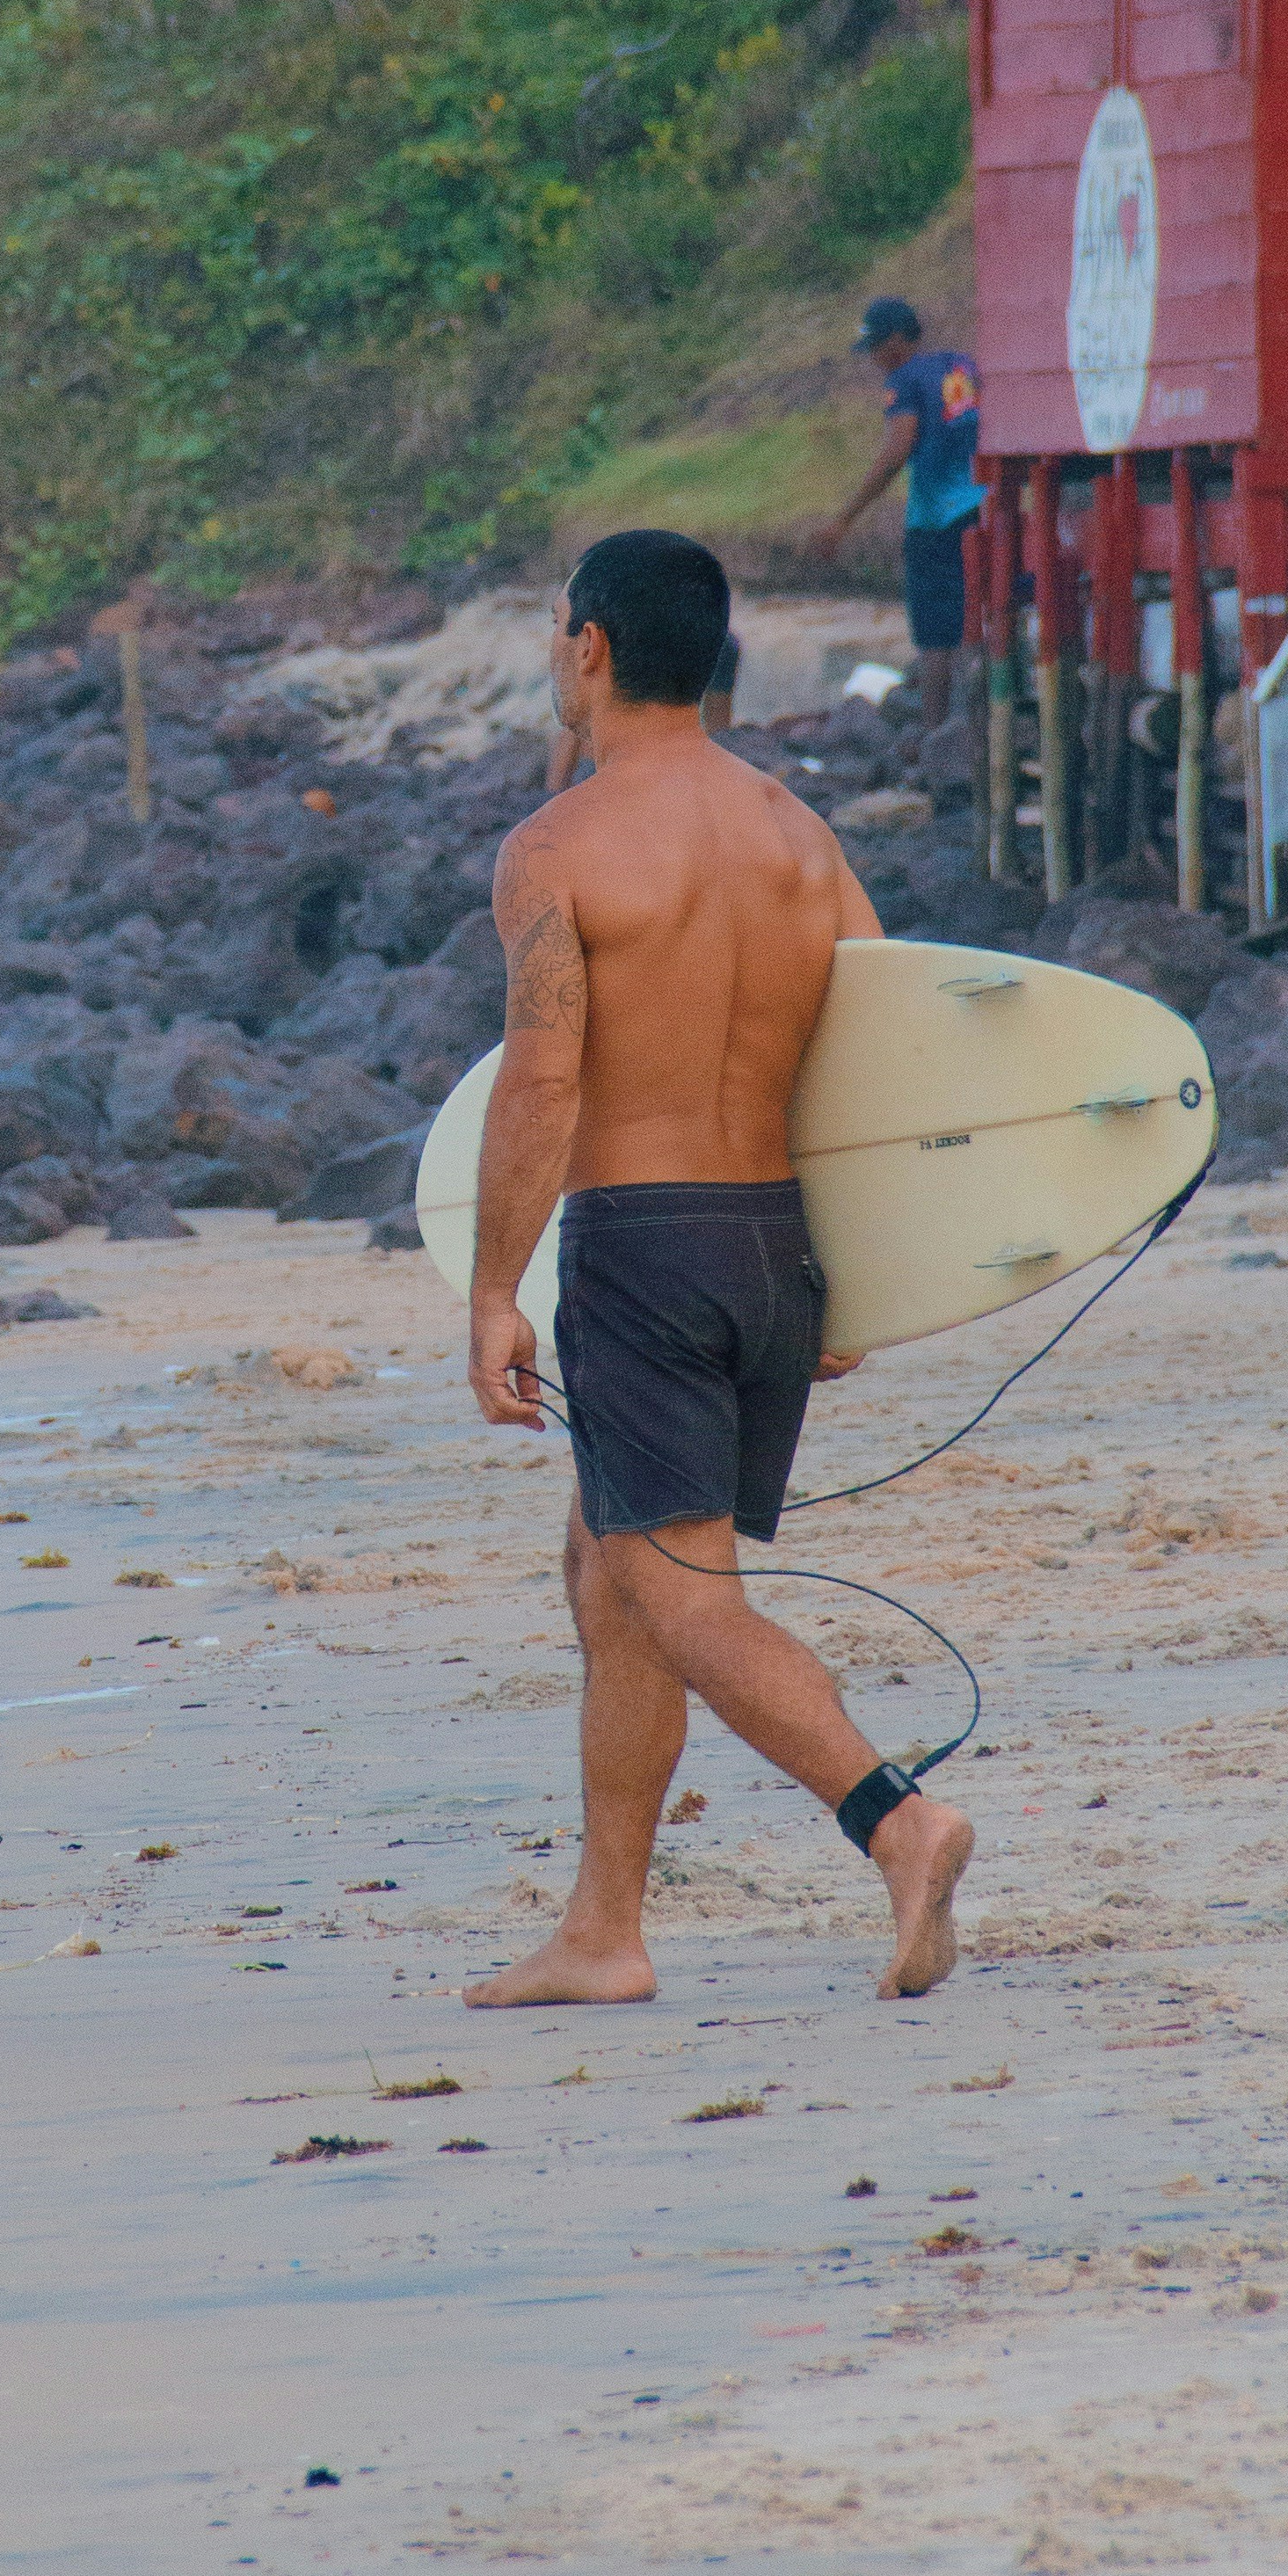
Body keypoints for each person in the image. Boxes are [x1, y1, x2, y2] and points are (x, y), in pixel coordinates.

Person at [462, 525, 972, 2009]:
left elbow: (540, 1085)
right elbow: (877, 1050)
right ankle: (603, 1931)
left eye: (558, 631)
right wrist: (852, 1275)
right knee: (608, 1570)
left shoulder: (556, 847)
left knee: (679, 1591)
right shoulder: (792, 832)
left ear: (590, 647)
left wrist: (494, 1291)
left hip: (640, 1242)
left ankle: (896, 1820)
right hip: (770, 1243)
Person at [825, 295, 981, 732]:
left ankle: (935, 736)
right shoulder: (961, 368)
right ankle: (980, 725)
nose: (874, 359)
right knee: (978, 618)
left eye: (875, 347)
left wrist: (846, 517)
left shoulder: (905, 380)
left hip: (934, 519)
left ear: (896, 342)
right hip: (982, 510)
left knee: (934, 634)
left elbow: (898, 450)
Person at [544, 615, 737, 797]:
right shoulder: (719, 641)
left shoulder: (614, 629)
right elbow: (719, 735)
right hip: (653, 780)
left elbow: (719, 733)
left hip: (615, 776)